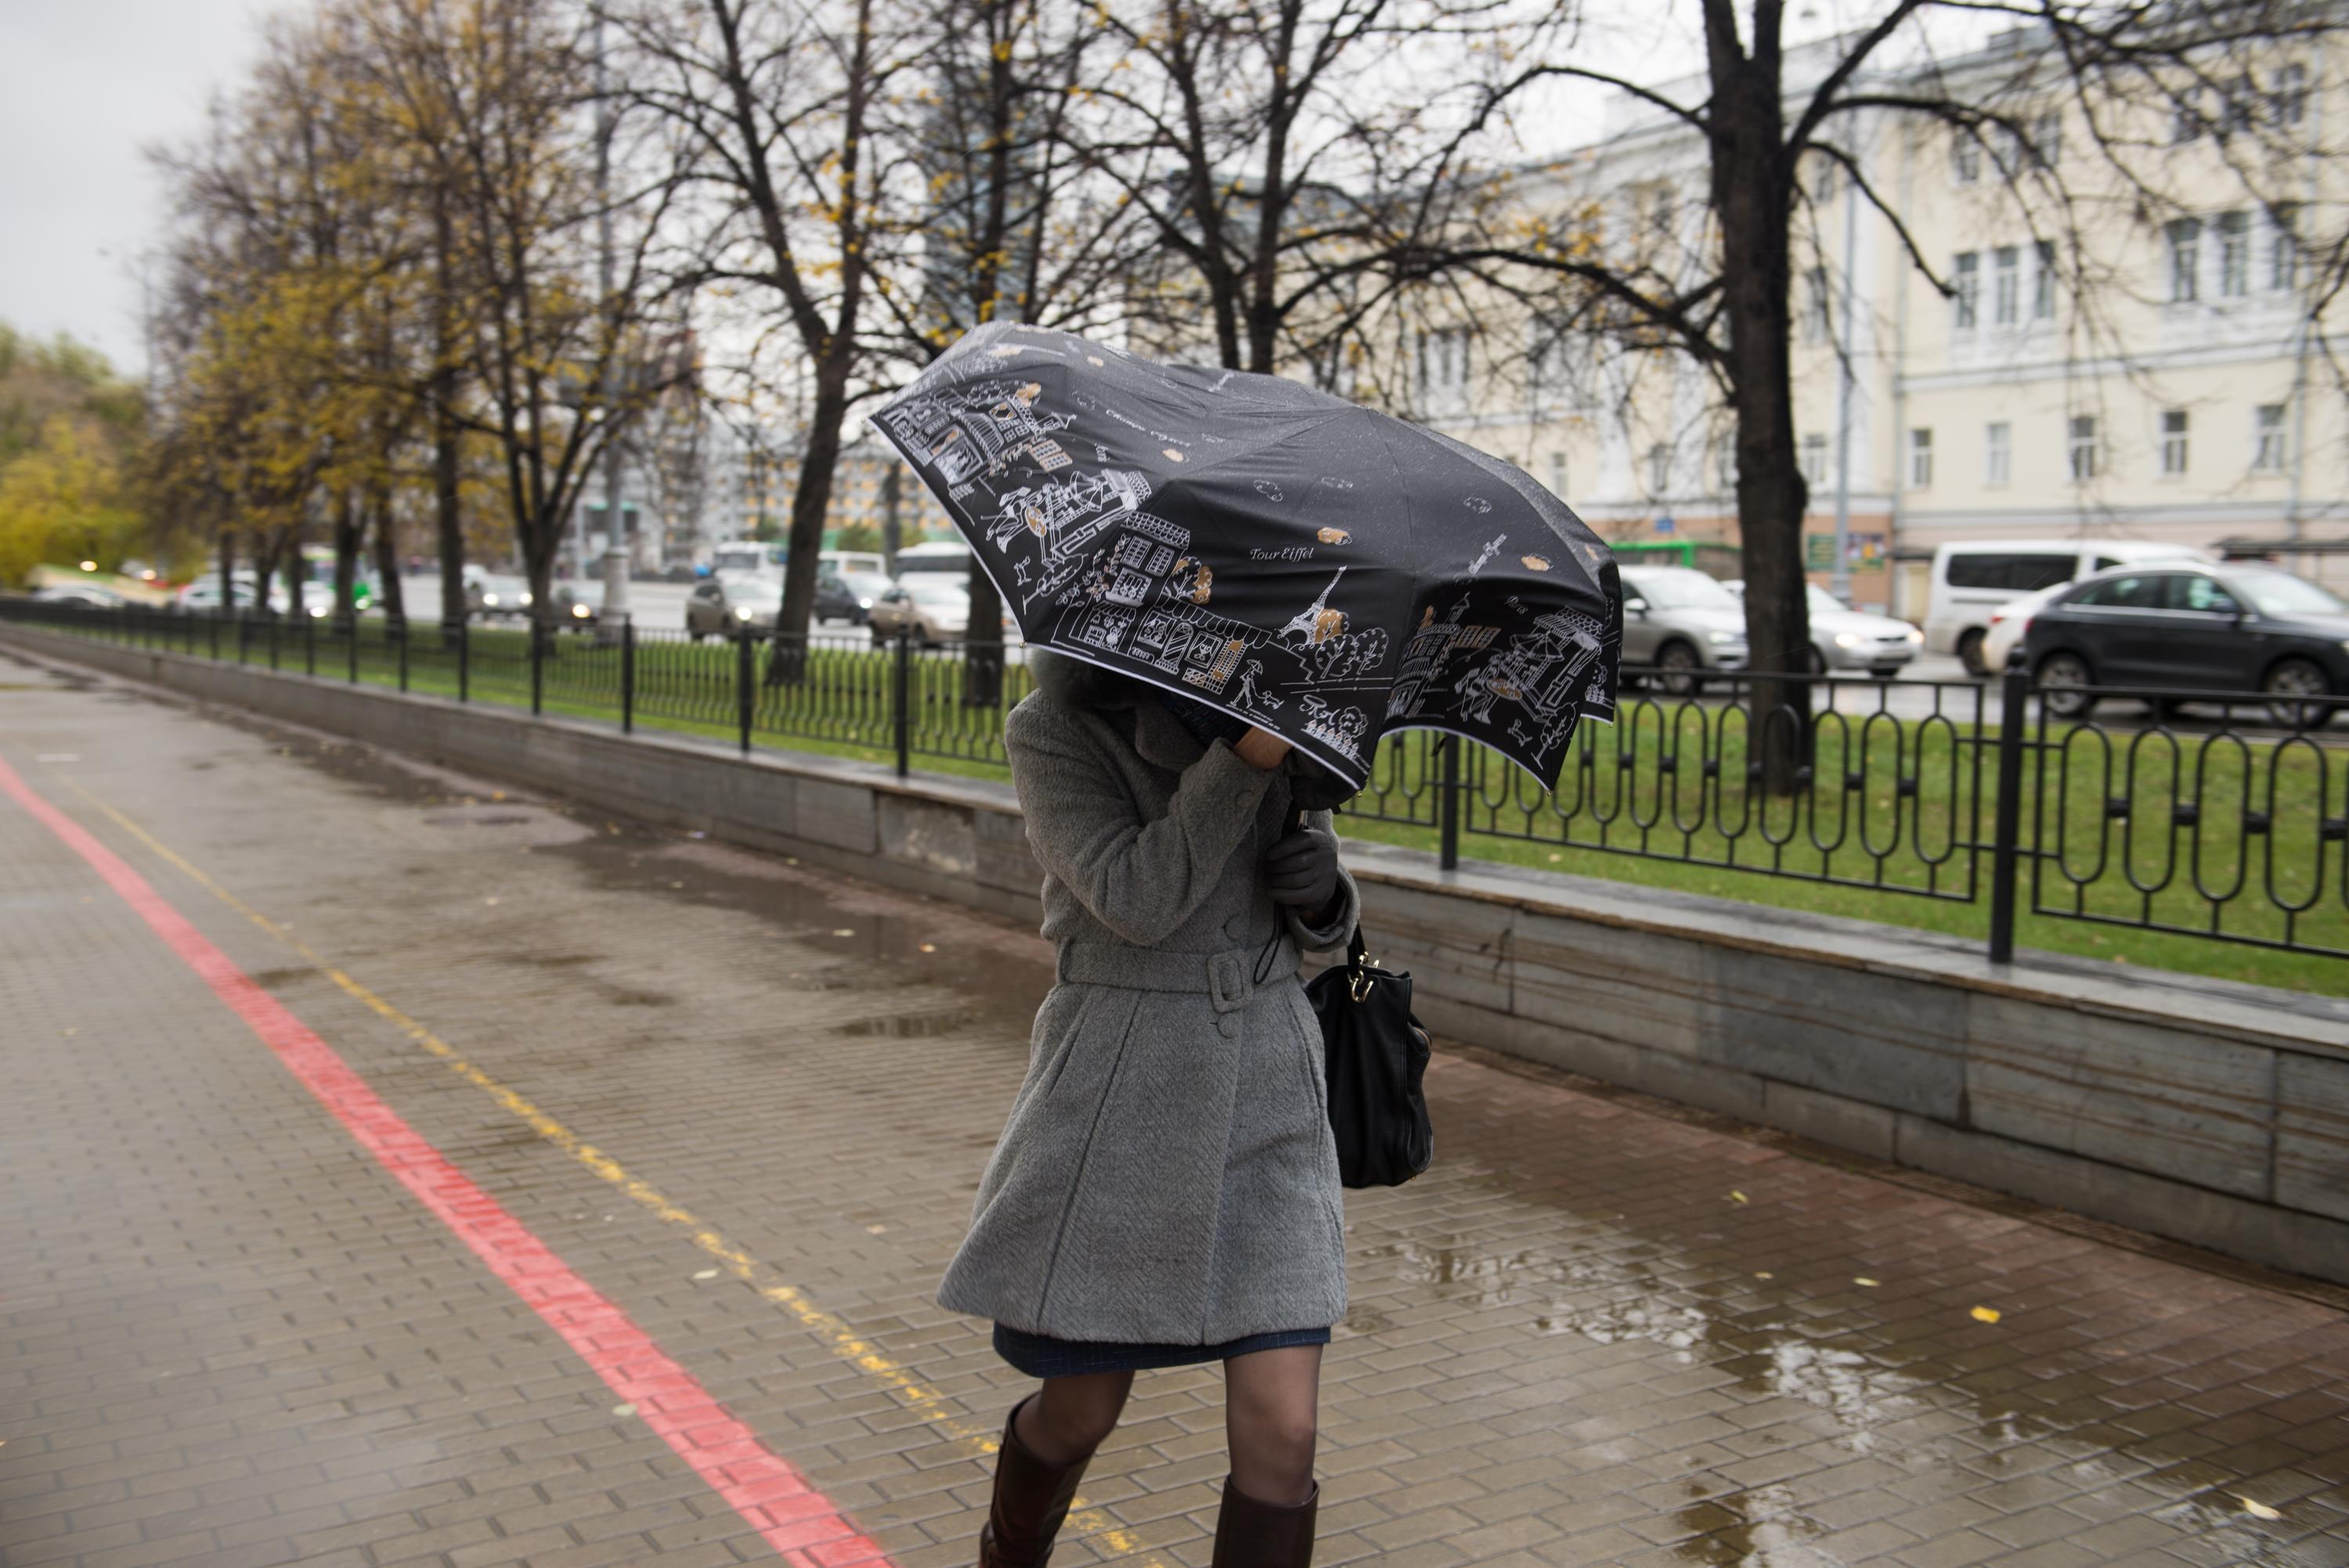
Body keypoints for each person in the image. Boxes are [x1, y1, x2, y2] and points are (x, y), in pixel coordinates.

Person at [940, 651, 1359, 1568]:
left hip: (1269, 1087)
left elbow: (1319, 930)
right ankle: (1008, 1551)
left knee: (1285, 1432)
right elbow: (1137, 898)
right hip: (1124, 1092)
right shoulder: (1051, 727)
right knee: (1081, 1409)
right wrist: (1244, 763)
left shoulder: (1276, 705)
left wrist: (1326, 890)